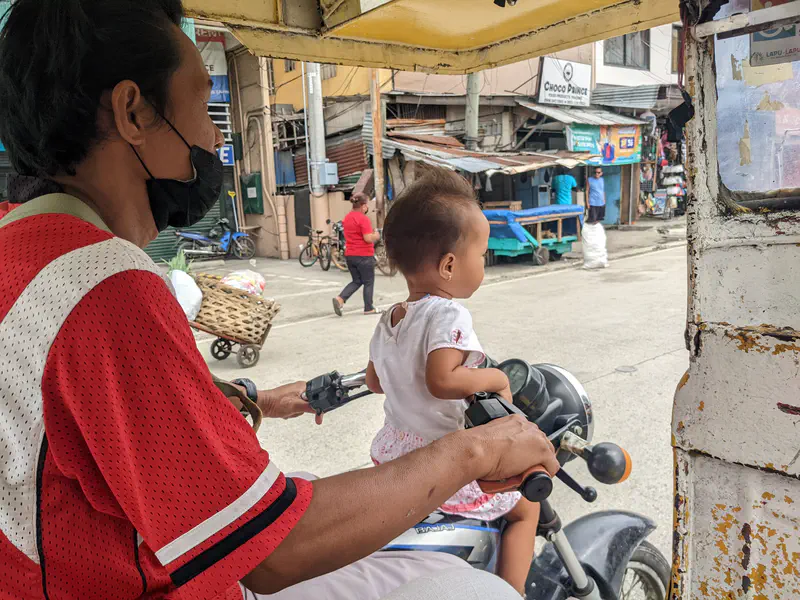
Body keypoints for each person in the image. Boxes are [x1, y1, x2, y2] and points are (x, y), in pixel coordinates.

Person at [0, 2, 558, 599]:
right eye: (201, 103)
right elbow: (272, 551)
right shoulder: (107, 289)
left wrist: (257, 399)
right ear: (132, 111)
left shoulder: (21, 249)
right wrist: (477, 449)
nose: (216, 136)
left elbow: (78, 424)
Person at [365, 168, 541, 595]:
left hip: (395, 457)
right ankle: (511, 591)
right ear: (448, 265)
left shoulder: (391, 318)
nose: (484, 263)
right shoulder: (448, 314)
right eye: (481, 254)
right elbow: (442, 379)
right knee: (525, 509)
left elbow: (375, 380)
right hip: (442, 459)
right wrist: (497, 377)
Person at [333, 193, 380, 316]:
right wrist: (376, 235)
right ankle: (368, 308)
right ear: (364, 206)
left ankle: (340, 299)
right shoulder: (363, 219)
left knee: (357, 280)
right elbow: (368, 238)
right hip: (364, 255)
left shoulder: (347, 218)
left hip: (350, 255)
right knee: (369, 281)